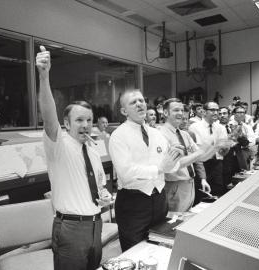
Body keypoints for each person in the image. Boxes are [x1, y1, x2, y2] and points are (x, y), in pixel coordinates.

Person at [36, 46, 112, 270]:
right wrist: (44, 76)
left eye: (89, 120)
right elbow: (49, 115)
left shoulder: (92, 148)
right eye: (79, 120)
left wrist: (104, 196)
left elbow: (98, 185)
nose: (86, 125)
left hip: (95, 224)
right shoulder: (58, 145)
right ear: (66, 123)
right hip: (70, 228)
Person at [108, 89, 182, 251]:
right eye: (133, 102)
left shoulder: (156, 133)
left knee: (158, 246)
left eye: (141, 100)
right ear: (123, 111)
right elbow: (126, 173)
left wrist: (176, 157)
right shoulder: (118, 136)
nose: (139, 104)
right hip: (133, 203)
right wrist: (159, 168)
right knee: (134, 251)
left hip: (159, 200)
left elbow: (170, 166)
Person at [159, 98, 215, 212]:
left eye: (181, 110)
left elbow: (201, 157)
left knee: (185, 220)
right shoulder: (160, 135)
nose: (180, 113)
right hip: (174, 186)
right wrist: (200, 151)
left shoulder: (184, 134)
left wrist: (216, 147)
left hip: (190, 184)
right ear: (165, 113)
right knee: (174, 222)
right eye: (176, 110)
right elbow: (174, 165)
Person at [189, 102, 230, 196]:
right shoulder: (194, 127)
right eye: (212, 110)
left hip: (217, 164)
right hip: (202, 165)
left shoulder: (221, 128)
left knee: (218, 190)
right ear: (204, 112)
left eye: (217, 110)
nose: (216, 113)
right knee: (202, 193)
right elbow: (196, 151)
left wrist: (226, 148)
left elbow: (223, 150)